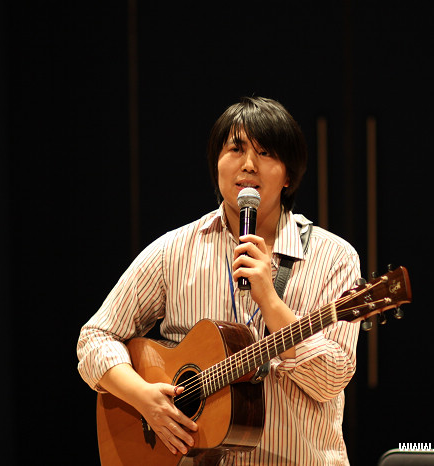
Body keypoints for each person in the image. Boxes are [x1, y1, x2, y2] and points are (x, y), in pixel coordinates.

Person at [77, 96, 362, 465]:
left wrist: (270, 302)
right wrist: (144, 398)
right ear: (216, 164)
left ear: (289, 175)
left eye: (265, 152)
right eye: (236, 149)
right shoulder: (174, 250)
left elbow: (331, 380)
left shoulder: (335, 257)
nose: (248, 164)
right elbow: (95, 337)